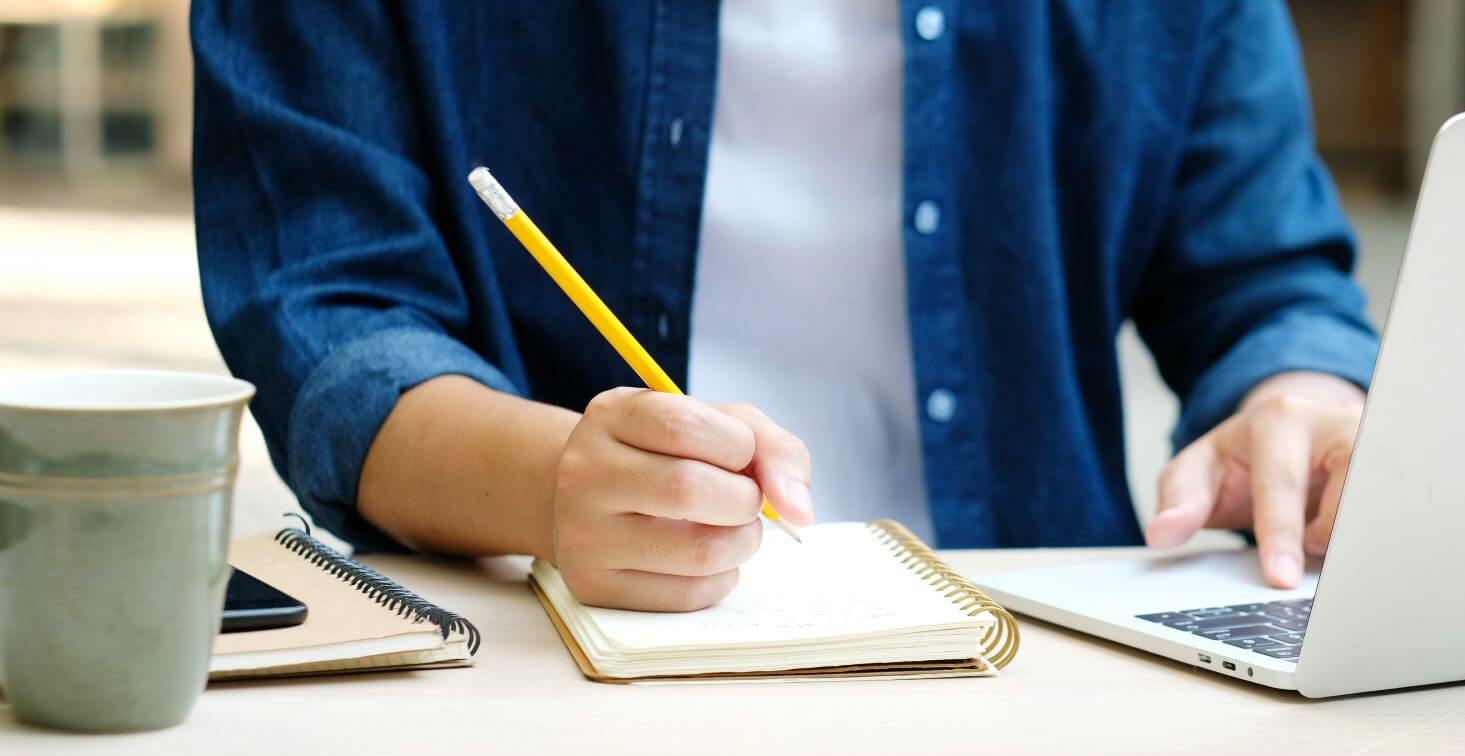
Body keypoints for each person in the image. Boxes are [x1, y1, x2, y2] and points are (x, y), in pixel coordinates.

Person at [191, 1, 1377, 611]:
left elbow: (1264, 275)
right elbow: (328, 315)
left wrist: (1304, 405)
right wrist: (550, 483)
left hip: (1040, 656)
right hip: (555, 658)